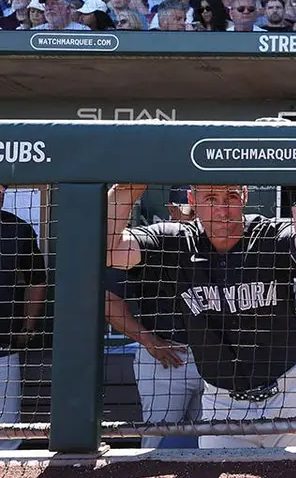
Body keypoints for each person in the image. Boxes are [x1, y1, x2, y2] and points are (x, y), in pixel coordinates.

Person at [105, 183, 296, 448]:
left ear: (245, 196)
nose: (222, 209)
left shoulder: (266, 234)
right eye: (210, 197)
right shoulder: (174, 240)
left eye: (232, 196)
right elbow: (110, 250)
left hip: (289, 394)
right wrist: (131, 184)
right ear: (193, 199)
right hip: (221, 403)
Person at [104, 186, 203, 448]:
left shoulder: (220, 242)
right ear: (172, 208)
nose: (197, 214)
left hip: (215, 358)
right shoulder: (148, 241)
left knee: (216, 443)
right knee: (157, 442)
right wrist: (147, 340)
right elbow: (109, 300)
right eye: (190, 208)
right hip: (165, 359)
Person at [0, 184, 47, 450]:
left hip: (4, 347)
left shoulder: (17, 229)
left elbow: (37, 280)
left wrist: (28, 327)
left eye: (2, 189)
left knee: (6, 436)